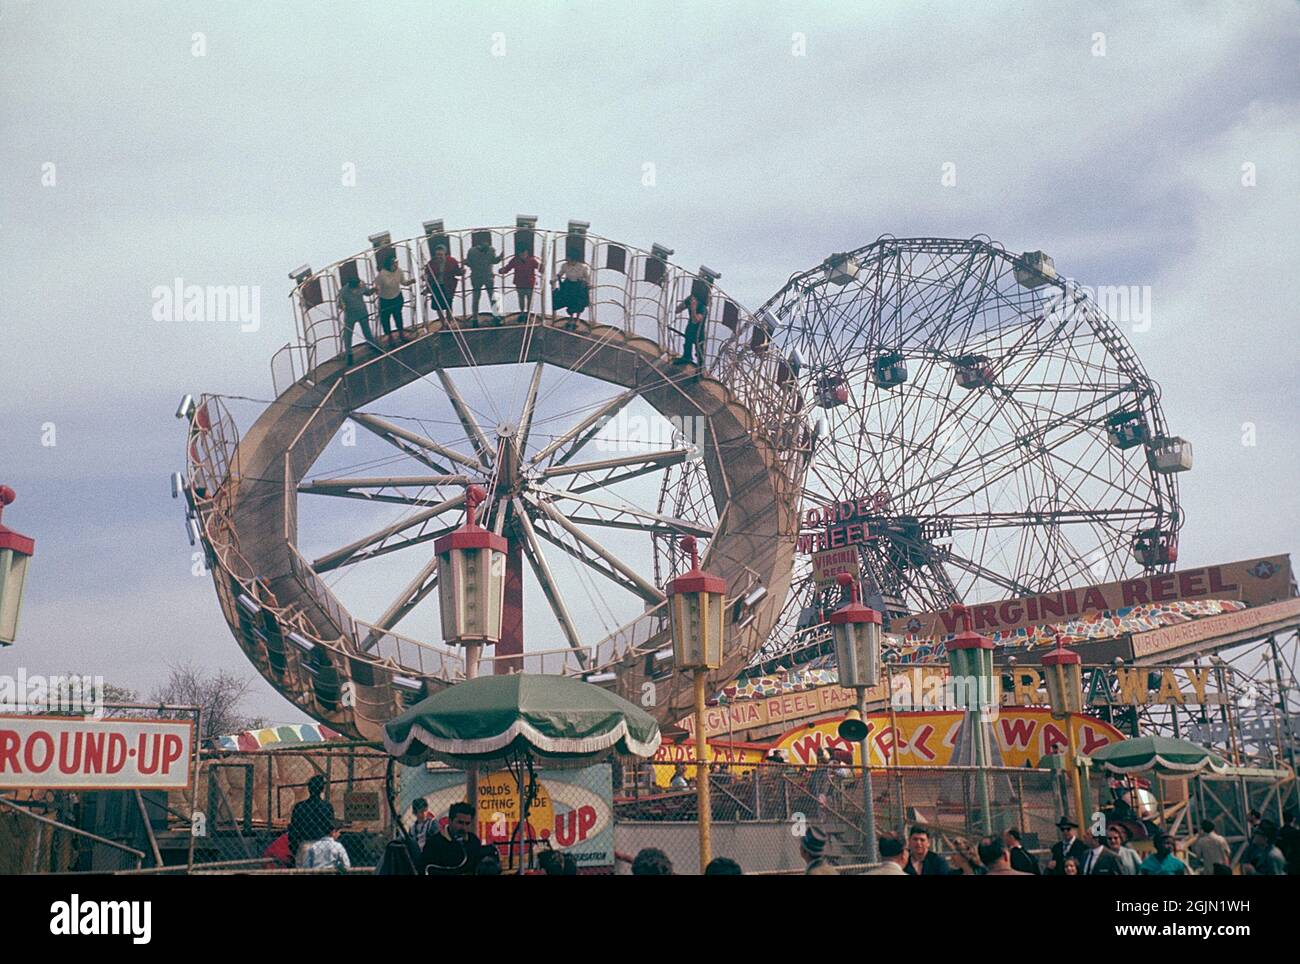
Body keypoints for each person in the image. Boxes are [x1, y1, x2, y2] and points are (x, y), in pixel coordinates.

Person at [422, 802, 485, 875]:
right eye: (460, 823)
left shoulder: (473, 841)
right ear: (450, 821)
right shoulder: (434, 843)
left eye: (467, 824)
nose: (464, 828)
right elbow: (426, 868)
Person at [288, 774, 335, 867]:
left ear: (309, 788)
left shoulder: (299, 807)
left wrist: (294, 847)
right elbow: (330, 828)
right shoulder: (327, 807)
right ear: (322, 789)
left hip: (305, 844)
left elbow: (293, 829)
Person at [336, 276, 377, 366]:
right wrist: (342, 306)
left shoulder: (361, 285)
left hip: (362, 313)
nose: (360, 285)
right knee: (348, 336)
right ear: (352, 286)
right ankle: (349, 355)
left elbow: (368, 293)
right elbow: (339, 304)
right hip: (350, 316)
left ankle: (373, 345)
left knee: (367, 331)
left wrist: (374, 289)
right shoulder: (343, 292)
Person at [373, 253, 412, 340]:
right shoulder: (381, 275)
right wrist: (377, 290)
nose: (396, 265)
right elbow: (377, 288)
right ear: (389, 265)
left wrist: (410, 282)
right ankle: (390, 337)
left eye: (396, 262)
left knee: (398, 316)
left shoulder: (399, 271)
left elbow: (403, 282)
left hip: (397, 297)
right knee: (385, 319)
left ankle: (401, 334)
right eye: (394, 263)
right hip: (385, 300)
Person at [465, 236, 502, 318]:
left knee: (478, 298)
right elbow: (494, 261)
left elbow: (469, 263)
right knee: (488, 297)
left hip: (478, 277)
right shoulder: (490, 250)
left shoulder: (472, 251)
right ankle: (496, 317)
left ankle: (476, 318)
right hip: (485, 276)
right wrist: (499, 258)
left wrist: (499, 258)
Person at [424, 244, 462, 323]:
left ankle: (449, 321)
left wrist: (461, 272)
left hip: (448, 286)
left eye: (441, 255)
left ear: (445, 253)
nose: (439, 257)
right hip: (436, 286)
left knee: (448, 304)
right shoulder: (431, 263)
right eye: (437, 255)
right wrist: (427, 286)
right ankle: (443, 323)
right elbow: (428, 275)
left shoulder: (452, 261)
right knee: (438, 306)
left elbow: (457, 272)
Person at [499, 247, 542, 316]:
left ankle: (528, 313)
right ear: (519, 254)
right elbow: (508, 268)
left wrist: (543, 266)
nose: (524, 255)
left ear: (527, 253)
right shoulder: (515, 260)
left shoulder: (532, 260)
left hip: (529, 283)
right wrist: (501, 270)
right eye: (522, 253)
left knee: (530, 300)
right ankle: (522, 313)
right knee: (521, 299)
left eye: (525, 253)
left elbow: (540, 269)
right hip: (520, 283)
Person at [553, 257, 591, 328]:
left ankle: (577, 319)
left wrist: (588, 284)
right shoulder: (565, 265)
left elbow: (587, 277)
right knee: (570, 302)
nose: (568, 260)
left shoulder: (582, 267)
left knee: (579, 303)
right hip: (569, 286)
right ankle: (571, 318)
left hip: (579, 286)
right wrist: (554, 280)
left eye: (569, 259)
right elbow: (560, 274)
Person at [672, 290, 707, 367]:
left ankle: (700, 367)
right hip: (690, 327)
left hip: (699, 331)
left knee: (699, 350)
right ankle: (686, 357)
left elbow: (695, 320)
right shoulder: (689, 301)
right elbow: (677, 310)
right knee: (687, 343)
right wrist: (684, 304)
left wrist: (693, 309)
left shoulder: (702, 308)